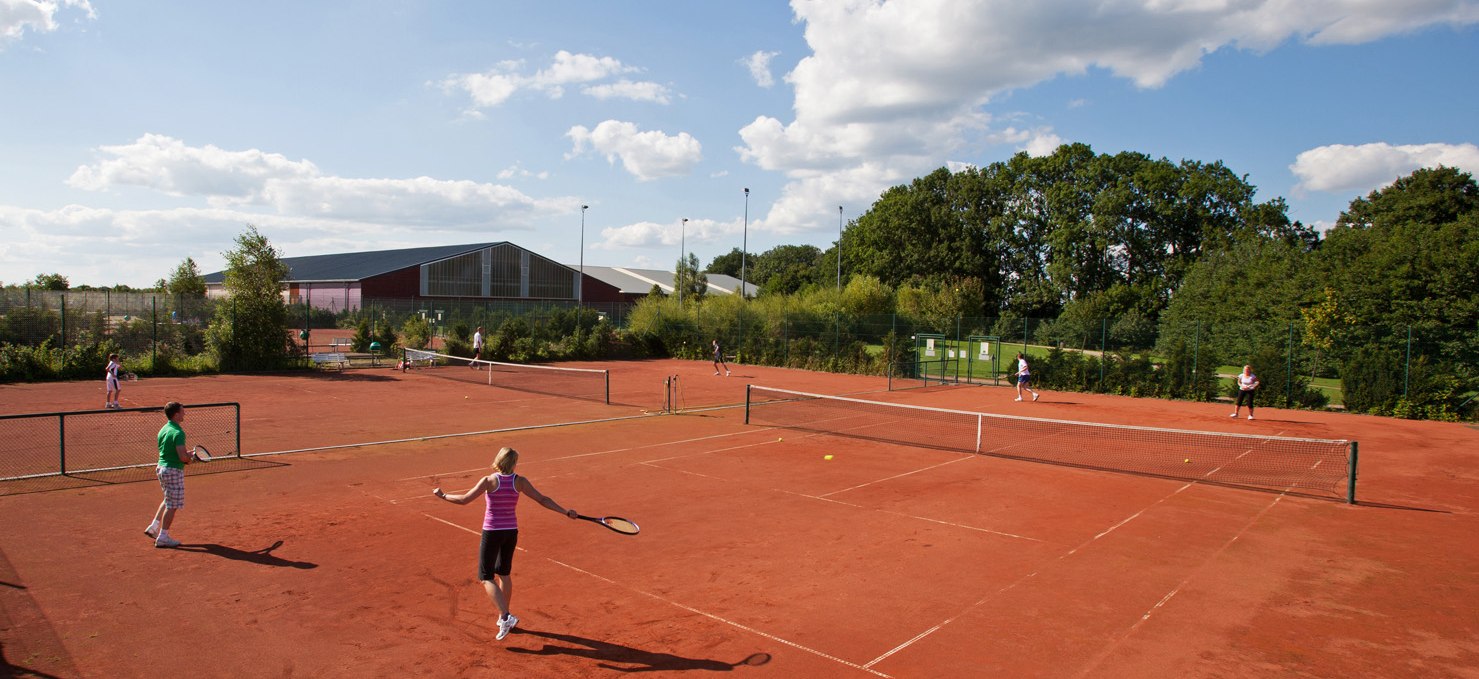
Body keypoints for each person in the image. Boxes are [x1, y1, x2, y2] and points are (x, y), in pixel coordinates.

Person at [433, 447, 578, 641]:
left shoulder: (489, 481)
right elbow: (543, 499)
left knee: (486, 577)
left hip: (492, 532)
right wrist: (565, 511)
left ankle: (507, 616)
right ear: (514, 463)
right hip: (511, 533)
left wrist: (443, 496)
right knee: (504, 573)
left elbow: (464, 500)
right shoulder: (520, 482)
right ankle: (504, 616)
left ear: (498, 460)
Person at [145, 402, 191, 548]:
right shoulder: (178, 432)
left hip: (161, 468)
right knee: (173, 505)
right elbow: (183, 458)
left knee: (167, 499)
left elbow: (172, 451)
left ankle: (153, 526)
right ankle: (163, 537)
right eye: (182, 412)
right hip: (173, 470)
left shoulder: (164, 429)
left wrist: (187, 454)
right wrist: (191, 458)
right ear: (176, 414)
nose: (184, 414)